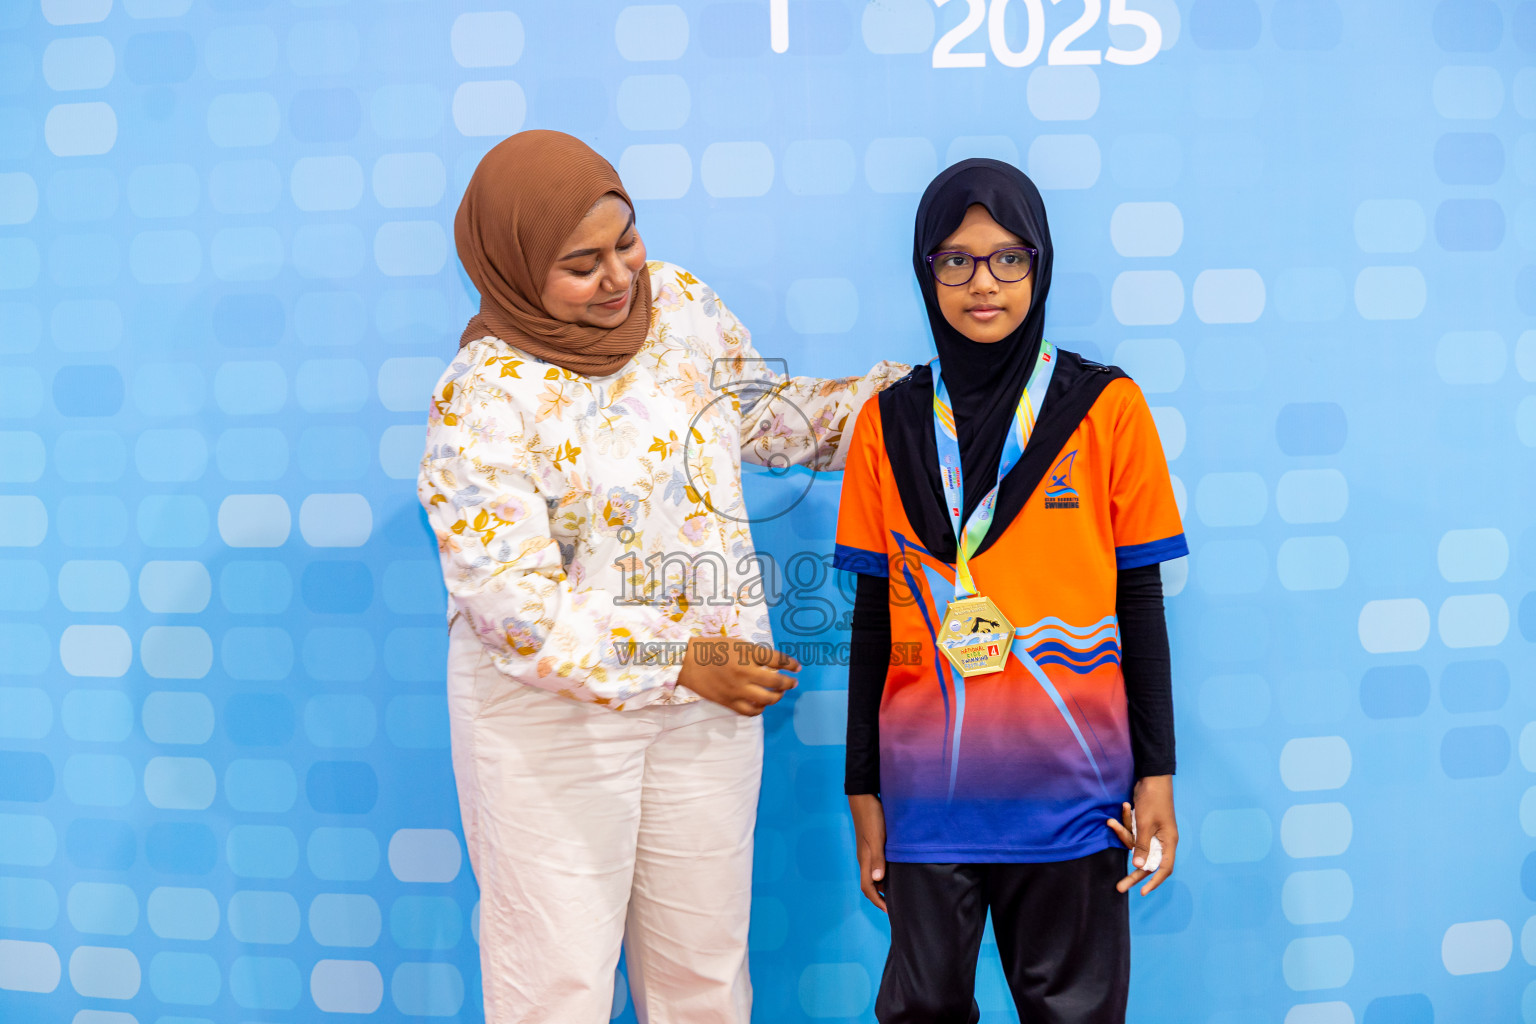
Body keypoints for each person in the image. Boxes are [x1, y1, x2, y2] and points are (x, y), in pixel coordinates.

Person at [416, 130, 909, 1024]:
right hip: (552, 727)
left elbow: (764, 420)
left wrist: (903, 399)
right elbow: (513, 610)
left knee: (705, 984)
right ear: (517, 268)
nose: (619, 278)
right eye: (581, 265)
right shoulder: (482, 395)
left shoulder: (678, 303)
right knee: (553, 989)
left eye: (626, 242)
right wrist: (681, 659)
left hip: (706, 713)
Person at [833, 158, 1187, 1023]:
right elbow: (873, 622)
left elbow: (1139, 604)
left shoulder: (1108, 407)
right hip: (927, 803)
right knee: (920, 1011)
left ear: (1041, 263)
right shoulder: (886, 424)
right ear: (925, 270)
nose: (981, 283)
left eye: (1007, 258)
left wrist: (1157, 777)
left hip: (1074, 798)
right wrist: (863, 790)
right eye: (953, 259)